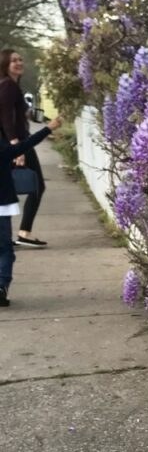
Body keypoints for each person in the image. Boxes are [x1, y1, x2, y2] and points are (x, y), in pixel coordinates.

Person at [0, 117, 62, 306]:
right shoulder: (3, 149)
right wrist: (48, 128)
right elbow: (26, 144)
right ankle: (1, 286)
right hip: (2, 204)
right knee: (4, 249)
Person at [0, 48, 48, 247]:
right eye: (14, 61)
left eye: (20, 59)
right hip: (18, 143)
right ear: (5, 65)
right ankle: (24, 233)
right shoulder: (8, 85)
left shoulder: (9, 85)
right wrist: (15, 146)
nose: (19, 63)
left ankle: (11, 235)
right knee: (37, 185)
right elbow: (5, 117)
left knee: (8, 188)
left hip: (13, 143)